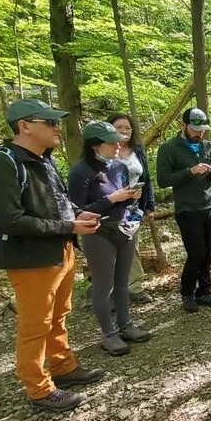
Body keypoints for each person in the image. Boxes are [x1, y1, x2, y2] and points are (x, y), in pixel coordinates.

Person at [0, 99, 105, 412]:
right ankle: (38, 389)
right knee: (35, 325)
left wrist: (81, 215)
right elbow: (9, 220)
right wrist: (69, 224)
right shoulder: (3, 162)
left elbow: (58, 203)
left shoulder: (44, 159)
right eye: (49, 122)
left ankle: (63, 368)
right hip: (30, 258)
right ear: (24, 126)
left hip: (60, 250)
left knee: (59, 316)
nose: (56, 128)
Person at [68, 121, 152, 356]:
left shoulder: (118, 166)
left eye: (118, 140)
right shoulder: (80, 171)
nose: (118, 145)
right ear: (95, 145)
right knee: (104, 286)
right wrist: (112, 199)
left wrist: (129, 197)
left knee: (123, 281)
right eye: (111, 142)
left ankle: (126, 326)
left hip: (124, 227)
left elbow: (120, 198)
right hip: (98, 232)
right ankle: (109, 334)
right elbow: (75, 209)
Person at [156, 107, 211, 312]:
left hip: (209, 206)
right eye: (195, 129)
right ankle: (187, 293)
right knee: (196, 253)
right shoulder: (169, 148)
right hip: (187, 208)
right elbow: (163, 179)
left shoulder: (208, 146)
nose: (199, 133)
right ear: (183, 125)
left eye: (202, 129)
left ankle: (205, 292)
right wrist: (190, 171)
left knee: (208, 253)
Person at [82, 114, 156, 306]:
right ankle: (108, 293)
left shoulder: (137, 151)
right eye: (119, 128)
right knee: (108, 251)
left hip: (133, 207)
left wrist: (149, 205)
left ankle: (134, 288)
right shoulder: (100, 155)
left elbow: (146, 179)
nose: (124, 131)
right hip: (106, 207)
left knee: (132, 248)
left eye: (128, 128)